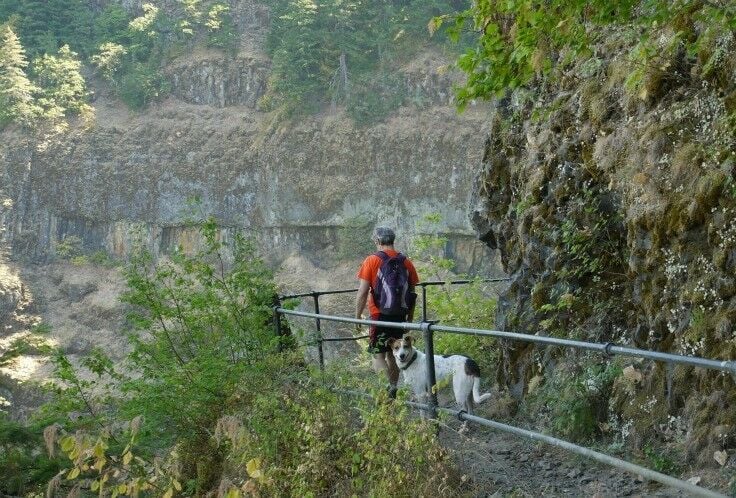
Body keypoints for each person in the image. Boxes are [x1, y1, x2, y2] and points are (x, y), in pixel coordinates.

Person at [355, 226, 418, 397]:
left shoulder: (372, 260)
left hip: (379, 316)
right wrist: (409, 320)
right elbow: (412, 294)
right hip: (399, 316)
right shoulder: (406, 261)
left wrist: (357, 317)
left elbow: (362, 292)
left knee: (378, 356)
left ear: (377, 241)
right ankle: (393, 390)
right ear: (393, 240)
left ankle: (385, 393)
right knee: (393, 354)